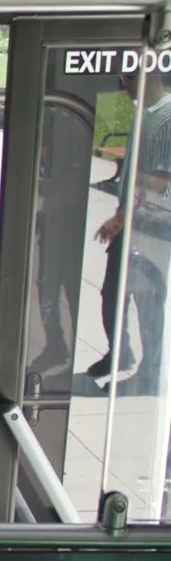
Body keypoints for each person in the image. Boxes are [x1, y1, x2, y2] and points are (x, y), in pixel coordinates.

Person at [90, 71, 171, 394]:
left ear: (149, 76)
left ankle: (149, 373)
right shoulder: (143, 115)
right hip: (132, 220)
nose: (123, 84)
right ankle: (119, 353)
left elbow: (159, 179)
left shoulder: (166, 118)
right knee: (113, 292)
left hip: (153, 228)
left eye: (128, 77)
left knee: (147, 299)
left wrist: (124, 214)